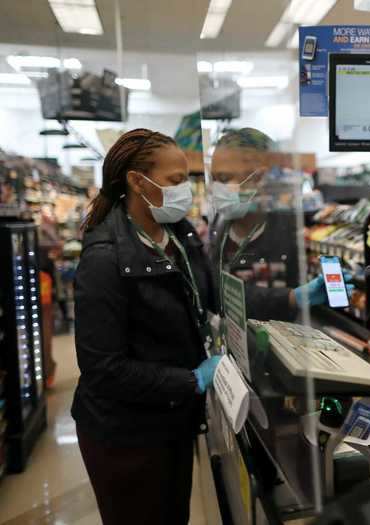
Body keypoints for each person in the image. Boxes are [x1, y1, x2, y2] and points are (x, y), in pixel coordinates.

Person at [72, 128, 222, 525]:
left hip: (171, 420)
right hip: (124, 436)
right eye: (175, 181)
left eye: (188, 180)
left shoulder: (179, 235)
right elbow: (102, 369)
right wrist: (191, 380)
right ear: (138, 182)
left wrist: (291, 299)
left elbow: (214, 296)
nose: (185, 191)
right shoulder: (104, 260)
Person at [209, 127, 351, 321]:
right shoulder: (213, 230)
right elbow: (214, 295)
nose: (215, 188)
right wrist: (291, 298)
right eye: (213, 178)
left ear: (259, 179)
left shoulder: (295, 228)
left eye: (223, 178)